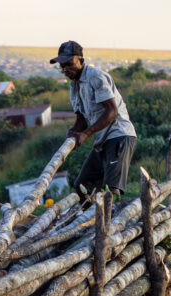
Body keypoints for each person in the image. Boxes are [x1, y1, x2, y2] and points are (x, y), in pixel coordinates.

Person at [51, 41, 137, 202]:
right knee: (83, 185)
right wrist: (73, 132)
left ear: (81, 61)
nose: (65, 69)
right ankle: (88, 222)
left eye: (69, 64)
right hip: (102, 140)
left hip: (119, 135)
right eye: (62, 66)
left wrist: (85, 134)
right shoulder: (74, 86)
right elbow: (81, 121)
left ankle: (107, 224)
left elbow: (112, 111)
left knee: (111, 191)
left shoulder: (95, 76)